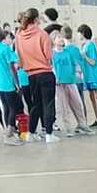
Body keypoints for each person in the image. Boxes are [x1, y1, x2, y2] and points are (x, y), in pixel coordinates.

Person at [14, 8, 57, 142]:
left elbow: (18, 55)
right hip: (45, 73)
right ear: (36, 19)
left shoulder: (19, 35)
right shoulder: (42, 34)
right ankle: (49, 134)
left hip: (31, 75)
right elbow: (48, 56)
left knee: (36, 105)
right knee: (48, 104)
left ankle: (30, 133)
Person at [52, 29, 91, 135]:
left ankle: (82, 124)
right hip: (60, 84)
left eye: (61, 37)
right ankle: (68, 128)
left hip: (71, 81)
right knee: (64, 107)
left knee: (77, 104)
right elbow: (52, 68)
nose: (61, 39)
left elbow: (75, 64)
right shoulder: (52, 54)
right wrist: (55, 78)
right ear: (54, 40)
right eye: (58, 37)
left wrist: (78, 73)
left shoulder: (67, 52)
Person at [77, 24, 97, 128]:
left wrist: (84, 57)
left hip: (94, 75)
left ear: (83, 33)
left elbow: (93, 62)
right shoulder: (84, 45)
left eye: (79, 33)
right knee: (92, 97)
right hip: (87, 76)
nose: (78, 35)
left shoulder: (90, 45)